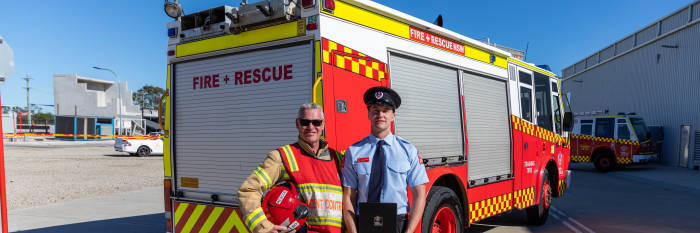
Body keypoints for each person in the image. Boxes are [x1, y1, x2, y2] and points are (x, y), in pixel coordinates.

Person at [238, 103, 344, 233]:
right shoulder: (282, 157)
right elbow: (248, 190)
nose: (311, 127)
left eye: (316, 122)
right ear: (297, 124)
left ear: (323, 124)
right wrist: (263, 227)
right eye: (305, 122)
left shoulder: (338, 158)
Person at [341, 86, 429, 233]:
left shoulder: (408, 150)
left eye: (386, 110)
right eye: (375, 110)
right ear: (369, 114)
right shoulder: (354, 152)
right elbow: (349, 197)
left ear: (393, 116)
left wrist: (409, 231)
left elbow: (419, 194)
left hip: (398, 222)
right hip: (364, 222)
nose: (380, 115)